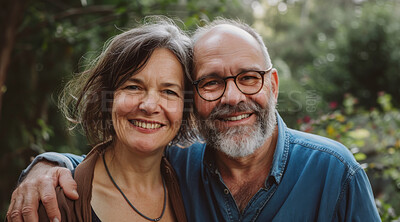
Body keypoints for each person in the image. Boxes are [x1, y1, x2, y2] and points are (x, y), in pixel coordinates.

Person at [7, 18, 381, 221]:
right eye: (212, 82)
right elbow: (117, 166)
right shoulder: (179, 164)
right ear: (195, 100)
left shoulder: (336, 175)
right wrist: (48, 164)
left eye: (248, 77)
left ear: (273, 85)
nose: (233, 98)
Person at [7, 17, 195, 222]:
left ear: (186, 108)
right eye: (133, 87)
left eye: (168, 91)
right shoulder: (52, 202)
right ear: (107, 97)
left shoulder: (196, 193)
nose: (149, 106)